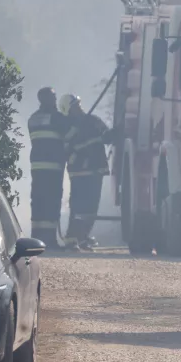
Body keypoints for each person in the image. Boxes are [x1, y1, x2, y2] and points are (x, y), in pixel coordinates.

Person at [59, 93, 114, 250]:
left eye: (79, 104)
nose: (79, 108)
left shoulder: (93, 120)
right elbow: (67, 145)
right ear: (68, 111)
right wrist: (78, 130)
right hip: (79, 171)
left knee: (91, 208)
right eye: (75, 106)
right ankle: (71, 238)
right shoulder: (67, 126)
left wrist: (111, 133)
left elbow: (106, 137)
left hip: (96, 170)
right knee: (78, 206)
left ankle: (83, 237)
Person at [26, 87, 69, 250]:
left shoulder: (33, 119)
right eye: (53, 97)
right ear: (47, 99)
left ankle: (36, 238)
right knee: (52, 202)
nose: (55, 100)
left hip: (37, 168)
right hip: (53, 168)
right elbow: (70, 133)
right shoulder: (57, 118)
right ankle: (50, 241)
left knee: (37, 201)